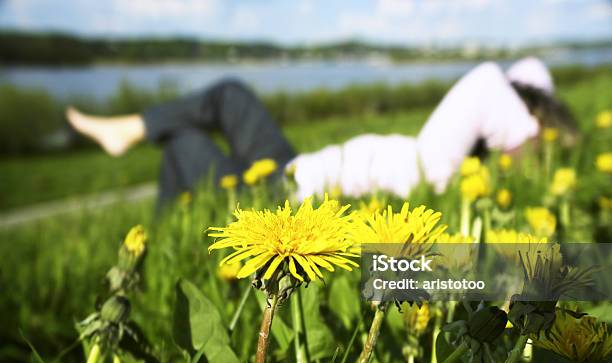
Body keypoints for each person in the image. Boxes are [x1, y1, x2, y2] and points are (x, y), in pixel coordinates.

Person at [66, 57, 575, 207]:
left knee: (184, 147)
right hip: (300, 164)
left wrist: (537, 129)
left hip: (292, 192)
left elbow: (487, 80)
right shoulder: (452, 158)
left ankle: (166, 256)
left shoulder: (451, 172)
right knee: (229, 93)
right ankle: (130, 129)